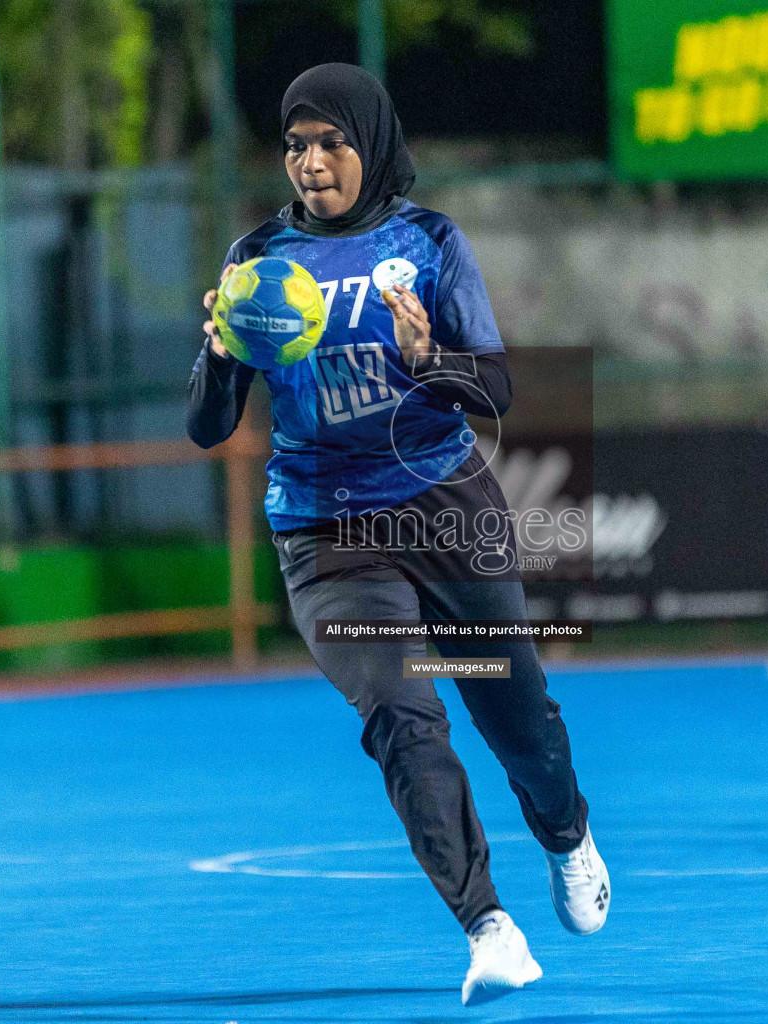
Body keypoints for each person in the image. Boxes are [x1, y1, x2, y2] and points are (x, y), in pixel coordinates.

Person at [186, 63, 608, 1006]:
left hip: (444, 505)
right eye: (296, 146)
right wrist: (220, 359)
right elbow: (209, 427)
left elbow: (494, 390)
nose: (311, 162)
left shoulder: (428, 242)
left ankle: (567, 833)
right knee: (401, 715)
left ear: (369, 145)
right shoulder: (255, 263)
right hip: (325, 527)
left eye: (330, 142)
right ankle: (489, 928)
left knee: (517, 716)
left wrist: (430, 359)